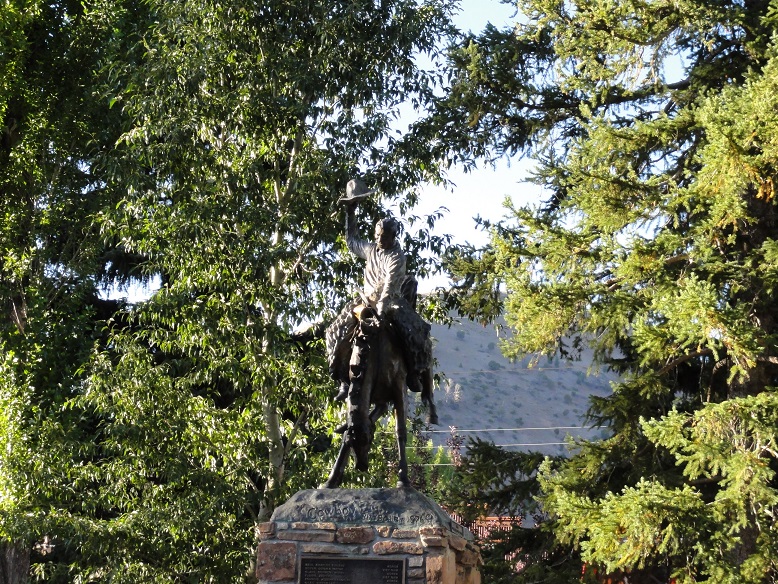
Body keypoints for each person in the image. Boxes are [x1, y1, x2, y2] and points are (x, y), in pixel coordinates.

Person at [325, 179, 435, 417]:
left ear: (393, 236)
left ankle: (414, 373)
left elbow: (389, 286)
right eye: (377, 236)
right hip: (366, 301)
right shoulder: (371, 250)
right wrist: (350, 212)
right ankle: (343, 377)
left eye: (383, 237)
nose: (379, 240)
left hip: (391, 302)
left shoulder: (396, 257)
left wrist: (381, 312)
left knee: (416, 334)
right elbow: (352, 241)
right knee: (335, 330)